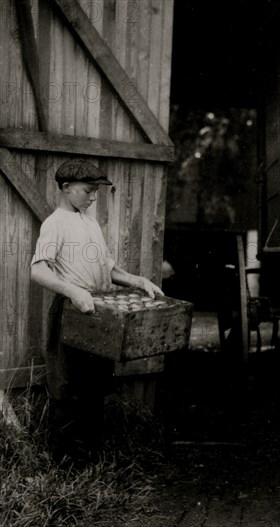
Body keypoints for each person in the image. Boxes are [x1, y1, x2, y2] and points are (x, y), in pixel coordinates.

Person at [30, 159, 163, 459]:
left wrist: (138, 281)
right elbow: (38, 270)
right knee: (67, 388)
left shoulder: (89, 222)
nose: (93, 197)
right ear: (66, 188)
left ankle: (90, 459)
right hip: (70, 312)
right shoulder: (55, 223)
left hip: (97, 312)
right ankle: (64, 467)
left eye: (95, 192)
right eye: (88, 191)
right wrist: (73, 291)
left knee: (94, 387)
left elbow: (107, 267)